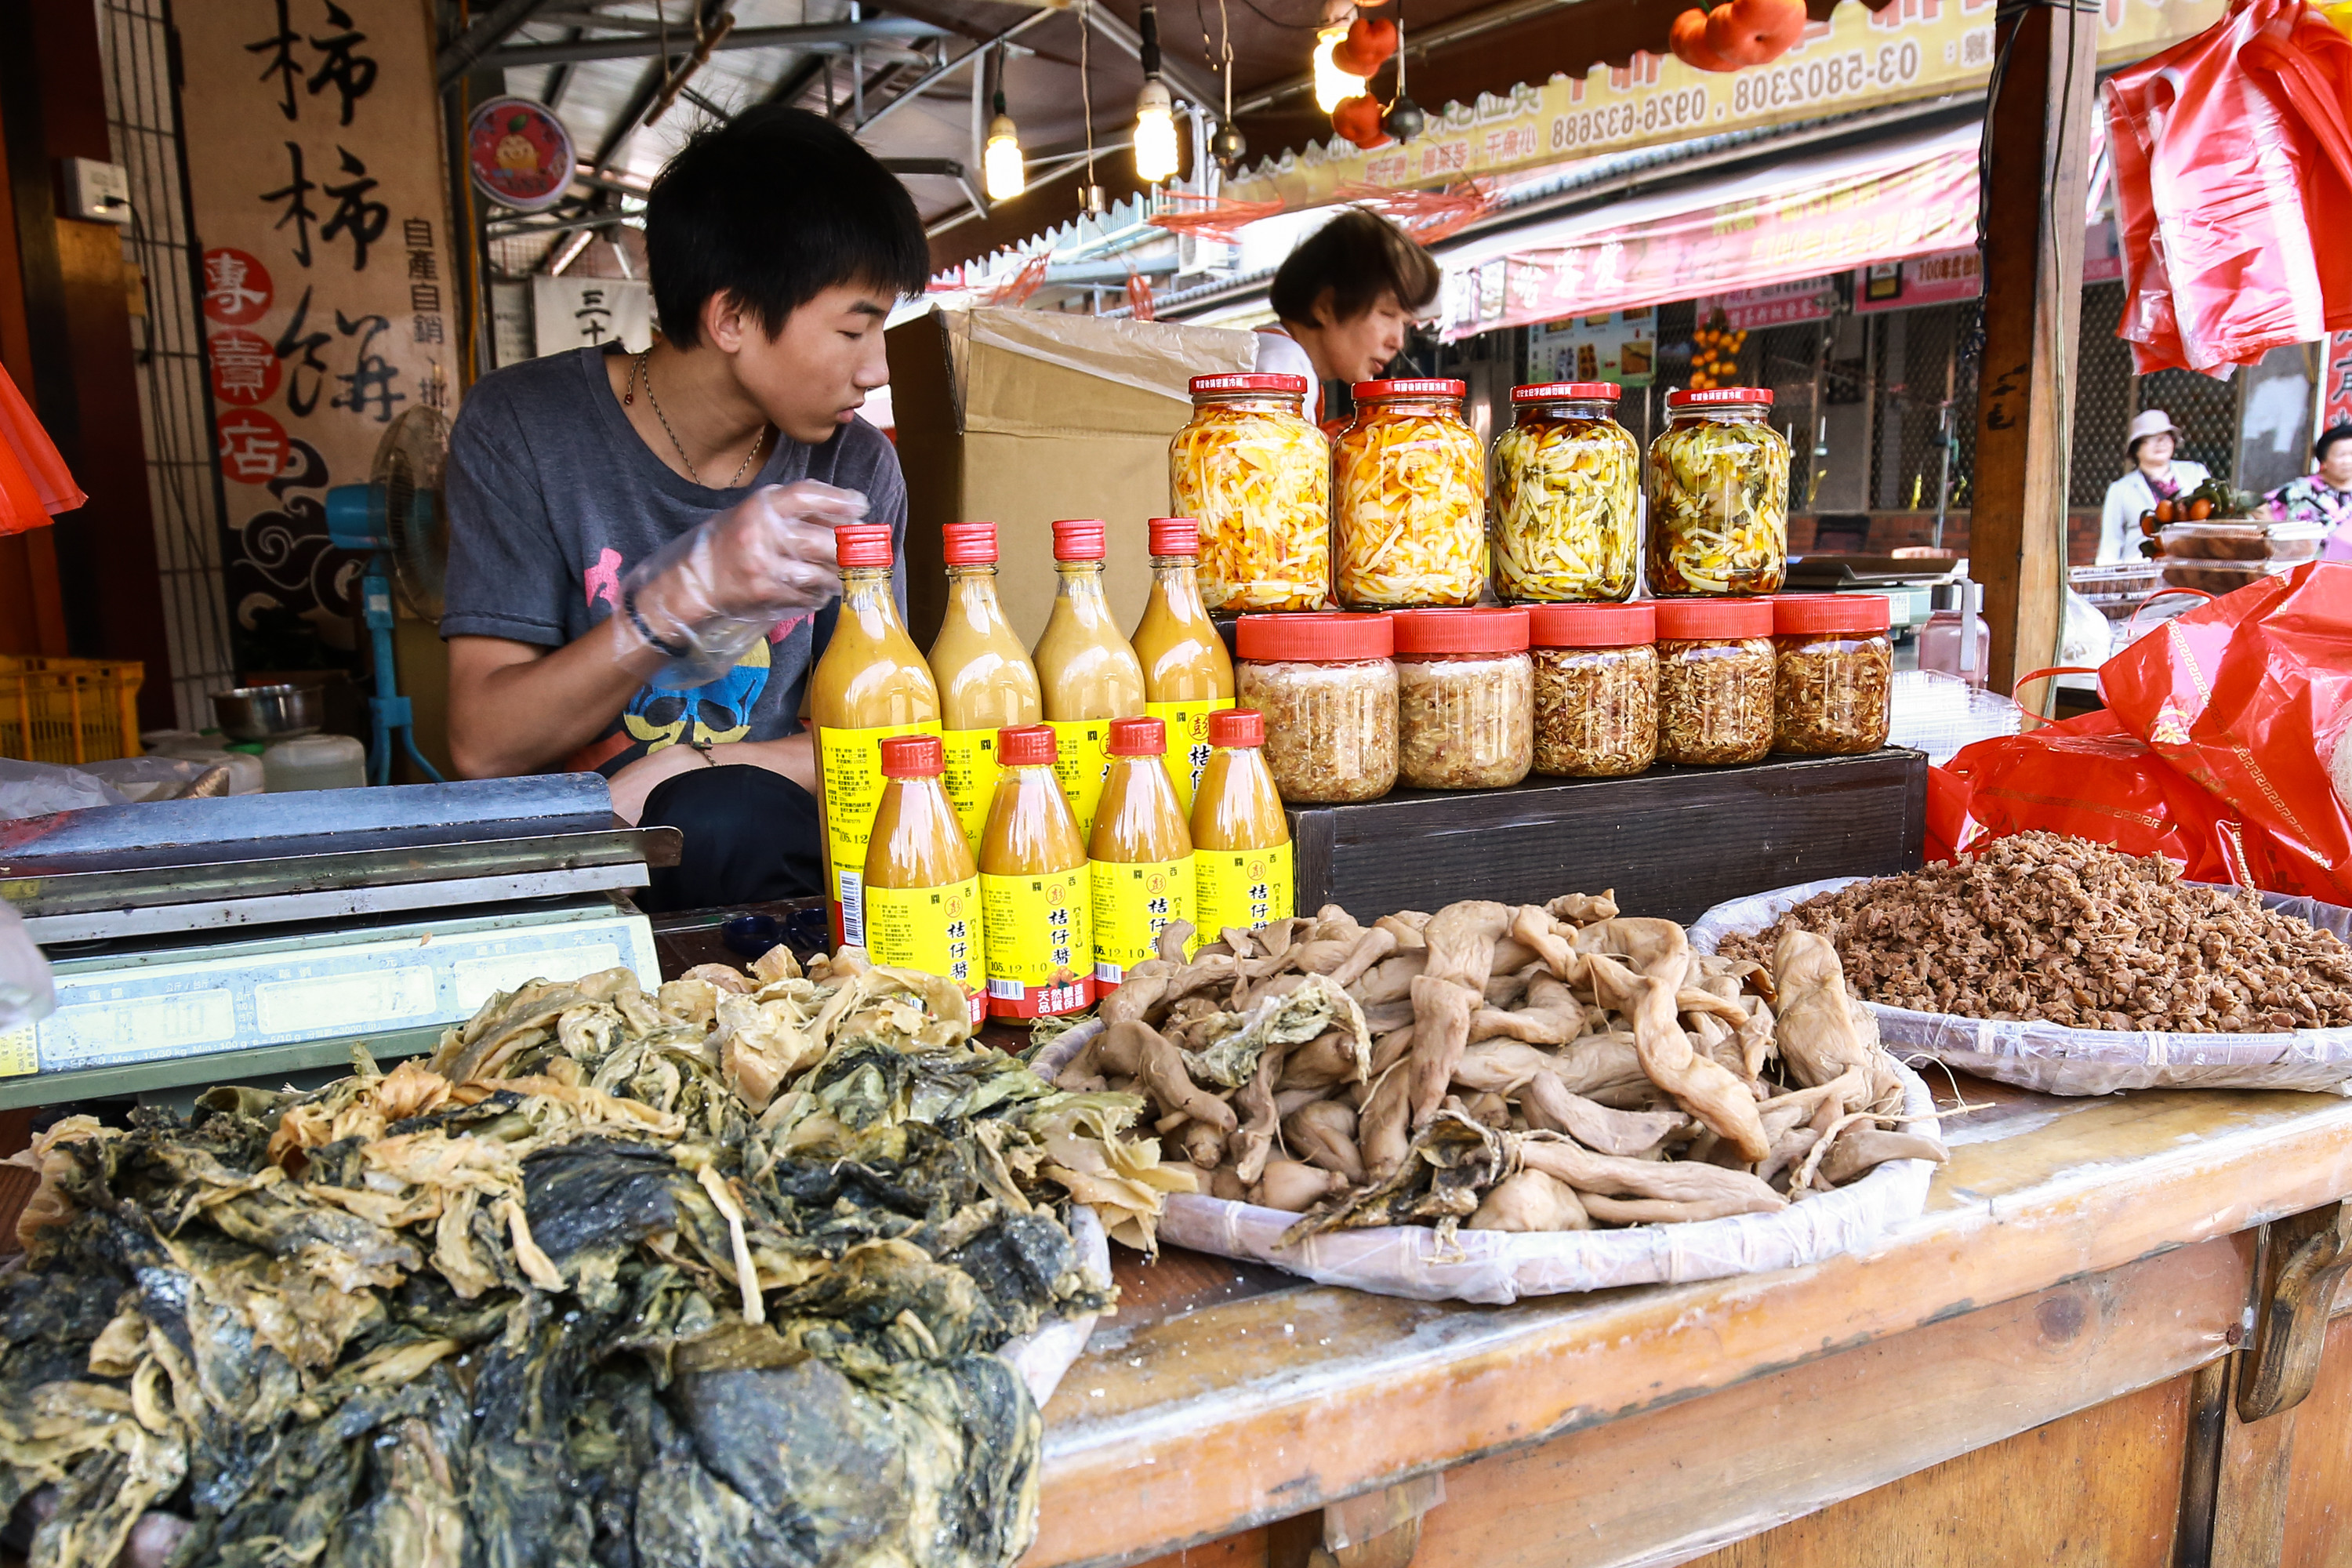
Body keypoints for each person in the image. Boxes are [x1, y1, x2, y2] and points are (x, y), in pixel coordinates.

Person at [438, 107, 928, 911]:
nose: (875, 367)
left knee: (719, 815)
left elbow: (881, 746)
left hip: (767, 874)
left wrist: (689, 766)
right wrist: (682, 597)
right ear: (731, 317)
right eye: (853, 327)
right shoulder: (524, 429)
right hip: (577, 880)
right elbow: (483, 746)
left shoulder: (856, 465)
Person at [1255, 208, 1441, 426]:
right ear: (1325, 306)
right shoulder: (1282, 368)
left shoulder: (1284, 359)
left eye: (1404, 323)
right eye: (1387, 314)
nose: (1397, 342)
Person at [2098, 408, 2209, 564]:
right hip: (2140, 573)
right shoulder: (2121, 489)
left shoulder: (2196, 473)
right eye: (2150, 438)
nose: (2160, 443)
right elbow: (2111, 543)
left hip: (2189, 567)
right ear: (2136, 448)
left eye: (2166, 436)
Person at [2266, 423, 2352, 560]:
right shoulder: (2300, 490)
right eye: (2341, 455)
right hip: (2302, 572)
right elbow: (2259, 507)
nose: (2348, 461)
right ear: (2323, 459)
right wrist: (2282, 544)